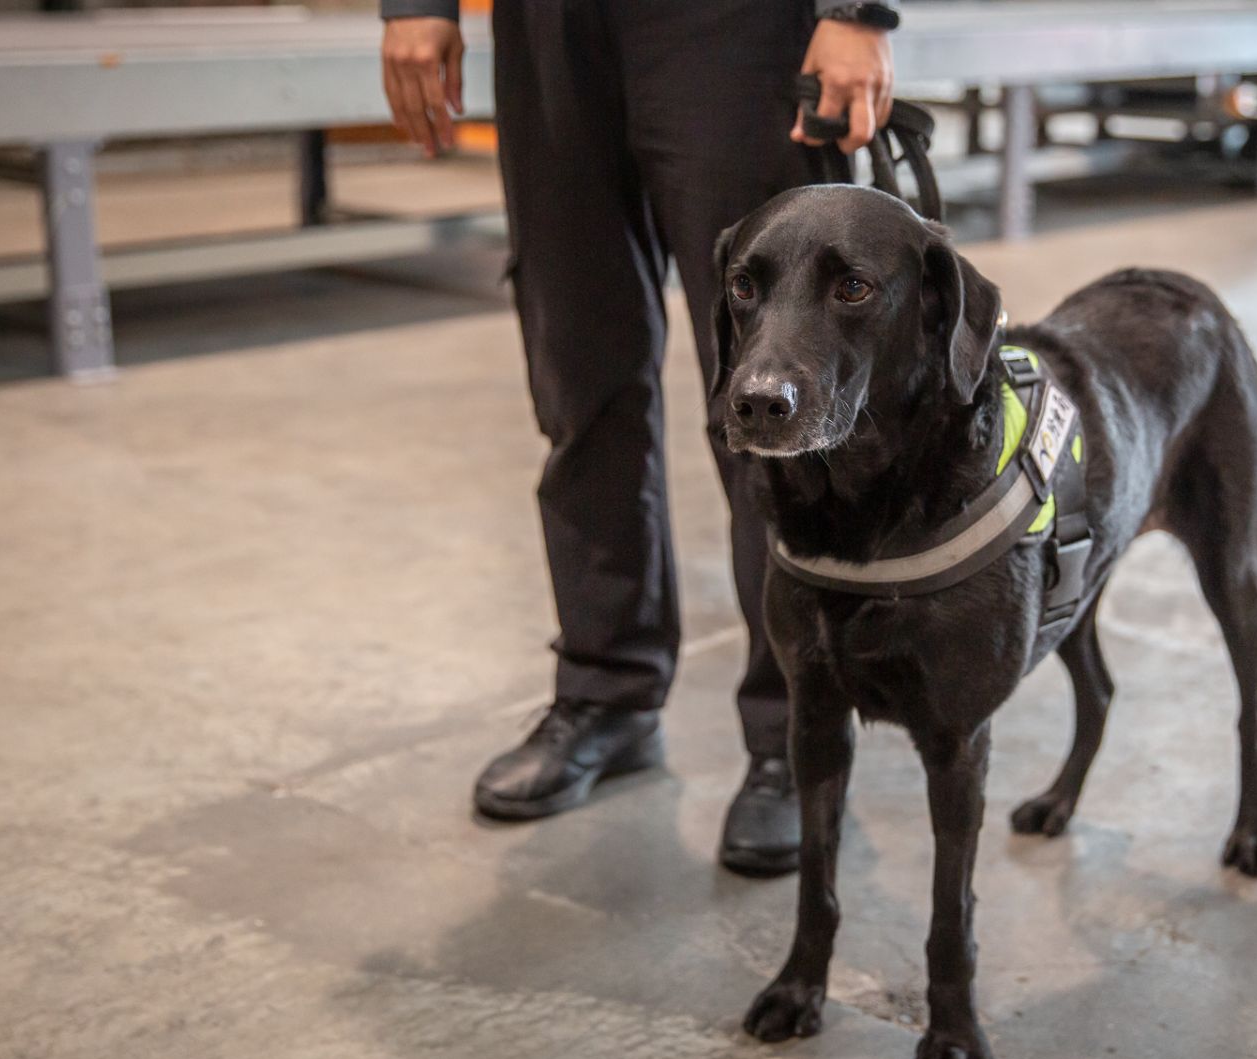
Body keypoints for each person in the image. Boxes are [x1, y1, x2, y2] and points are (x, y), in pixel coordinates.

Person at [378, 0, 899, 875]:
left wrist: (856, 10)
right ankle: (605, 689)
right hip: (550, 30)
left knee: (773, 397)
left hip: (737, 28)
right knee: (579, 373)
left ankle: (794, 732)